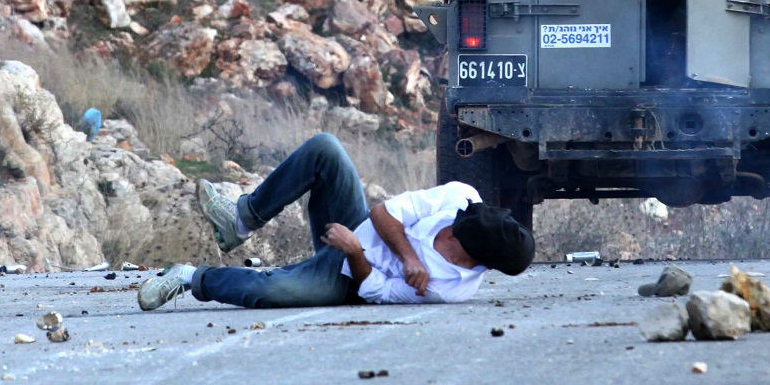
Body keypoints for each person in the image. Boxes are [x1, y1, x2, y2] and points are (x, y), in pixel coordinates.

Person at [138, 132, 535, 311]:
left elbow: (376, 291)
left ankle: (189, 277)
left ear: (477, 257)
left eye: (457, 231)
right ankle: (241, 219)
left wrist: (355, 252)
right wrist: (410, 256)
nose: (454, 222)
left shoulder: (450, 290)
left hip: (349, 278)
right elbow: (383, 213)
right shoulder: (462, 197)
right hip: (354, 223)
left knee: (276, 292)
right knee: (326, 148)